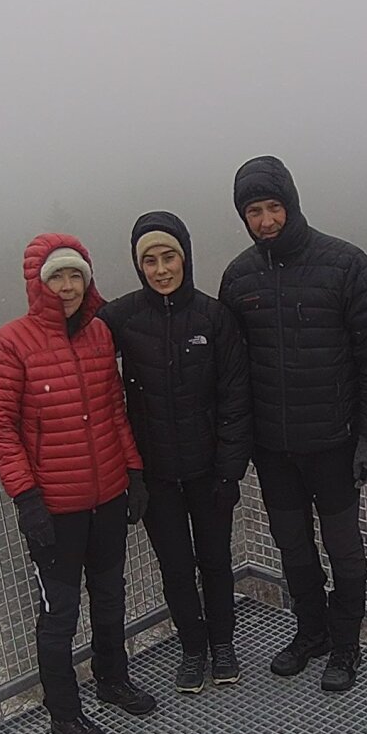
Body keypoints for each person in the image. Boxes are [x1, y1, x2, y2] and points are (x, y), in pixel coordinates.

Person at [218, 156, 367, 692]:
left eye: (274, 207)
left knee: (343, 547)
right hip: (272, 447)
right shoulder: (239, 277)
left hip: (334, 443)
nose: (266, 220)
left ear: (292, 204)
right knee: (292, 545)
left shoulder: (344, 264)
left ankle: (346, 644)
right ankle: (311, 632)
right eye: (254, 211)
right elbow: (229, 369)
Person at [0, 232, 158, 734]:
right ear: (37, 284)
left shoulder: (99, 335)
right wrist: (26, 497)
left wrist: (133, 472)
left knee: (110, 595)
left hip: (106, 495)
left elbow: (113, 411)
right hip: (54, 507)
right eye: (56, 277)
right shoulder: (11, 343)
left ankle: (112, 678)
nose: (66, 287)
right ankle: (64, 713)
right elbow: (1, 427)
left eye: (74, 276)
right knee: (60, 614)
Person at [99, 211, 253, 694]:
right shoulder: (123, 318)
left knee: (215, 561)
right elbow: (70, 335)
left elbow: (235, 398)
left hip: (209, 470)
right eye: (150, 260)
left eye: (169, 257)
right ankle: (192, 648)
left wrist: (230, 472)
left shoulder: (213, 317)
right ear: (138, 265)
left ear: (185, 257)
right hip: (156, 474)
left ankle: (222, 644)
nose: (161, 269)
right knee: (176, 567)